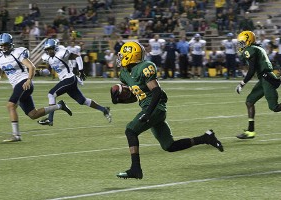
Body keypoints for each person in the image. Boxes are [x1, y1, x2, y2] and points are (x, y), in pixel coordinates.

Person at [111, 41, 224, 179]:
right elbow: (137, 96)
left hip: (156, 107)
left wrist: (148, 113)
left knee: (130, 130)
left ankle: (136, 169)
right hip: (149, 107)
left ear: (131, 55)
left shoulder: (144, 67)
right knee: (169, 146)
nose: (120, 58)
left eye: (123, 55)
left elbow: (157, 91)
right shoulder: (125, 74)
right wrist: (119, 99)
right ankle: (206, 138)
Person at [0, 33, 73, 142]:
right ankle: (60, 106)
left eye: (5, 45)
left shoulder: (17, 53)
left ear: (10, 44)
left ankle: (16, 135)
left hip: (24, 82)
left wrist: (29, 80)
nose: (4, 47)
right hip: (17, 85)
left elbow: (31, 67)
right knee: (33, 114)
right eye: (1, 45)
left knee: (10, 106)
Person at [37, 39, 112, 126]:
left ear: (55, 48)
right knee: (83, 101)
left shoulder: (61, 53)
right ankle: (104, 109)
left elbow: (77, 56)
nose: (49, 51)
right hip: (66, 81)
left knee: (51, 94)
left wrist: (81, 70)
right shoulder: (47, 58)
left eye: (50, 49)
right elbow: (48, 71)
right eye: (47, 50)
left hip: (69, 78)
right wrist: (40, 72)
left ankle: (50, 119)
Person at [235, 31, 281, 139]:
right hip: (264, 78)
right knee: (249, 101)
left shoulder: (250, 50)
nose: (240, 45)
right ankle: (251, 131)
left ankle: (251, 131)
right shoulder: (257, 48)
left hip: (267, 79)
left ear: (248, 41)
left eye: (242, 42)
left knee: (274, 107)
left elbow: (251, 71)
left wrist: (242, 84)